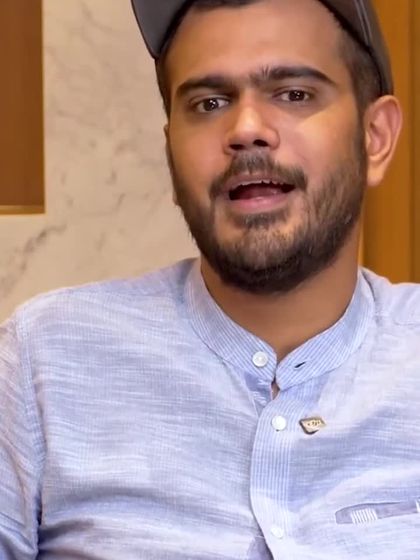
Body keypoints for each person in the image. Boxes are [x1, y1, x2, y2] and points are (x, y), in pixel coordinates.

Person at [0, 0, 418, 558]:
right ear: (171, 153)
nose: (246, 129)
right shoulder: (43, 359)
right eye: (209, 103)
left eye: (294, 94)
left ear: (375, 137)